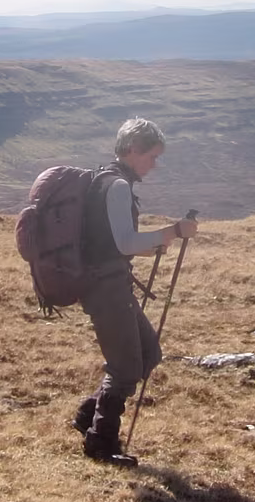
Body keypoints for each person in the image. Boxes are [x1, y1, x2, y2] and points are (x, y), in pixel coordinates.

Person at [72, 118, 199, 462]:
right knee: (126, 366)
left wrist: (154, 244)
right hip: (106, 288)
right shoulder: (117, 186)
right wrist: (174, 231)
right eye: (152, 156)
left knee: (148, 351)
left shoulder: (103, 179)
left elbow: (108, 242)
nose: (154, 165)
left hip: (106, 282)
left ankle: (88, 415)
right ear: (132, 149)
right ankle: (101, 442)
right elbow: (125, 243)